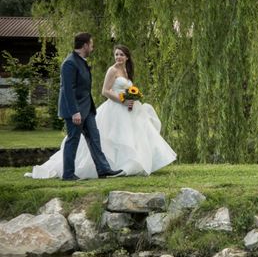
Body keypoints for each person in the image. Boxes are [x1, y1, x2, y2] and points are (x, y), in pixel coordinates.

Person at [26, 44, 176, 179]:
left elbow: (128, 88)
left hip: (128, 109)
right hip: (115, 108)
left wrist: (132, 98)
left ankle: (128, 164)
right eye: (116, 54)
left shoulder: (127, 71)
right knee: (110, 138)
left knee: (133, 136)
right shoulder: (112, 70)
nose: (118, 57)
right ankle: (104, 167)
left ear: (127, 57)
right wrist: (122, 100)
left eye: (121, 54)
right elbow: (105, 91)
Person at [59, 32, 122, 180]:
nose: (92, 48)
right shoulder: (69, 63)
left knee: (94, 138)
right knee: (73, 140)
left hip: (87, 109)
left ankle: (103, 169)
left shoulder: (81, 61)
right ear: (85, 45)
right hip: (75, 110)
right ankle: (68, 174)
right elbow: (67, 90)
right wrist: (74, 112)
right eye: (91, 45)